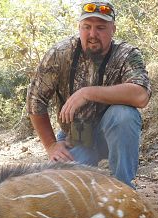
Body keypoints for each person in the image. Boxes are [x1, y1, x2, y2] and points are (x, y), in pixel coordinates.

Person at [26, 0, 151, 189]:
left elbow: (141, 95)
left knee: (124, 116)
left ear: (113, 29)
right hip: (76, 137)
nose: (93, 34)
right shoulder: (60, 53)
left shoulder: (127, 54)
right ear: (79, 27)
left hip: (112, 135)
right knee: (60, 188)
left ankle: (123, 191)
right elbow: (35, 101)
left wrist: (88, 93)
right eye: (87, 27)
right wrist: (51, 145)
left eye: (101, 27)